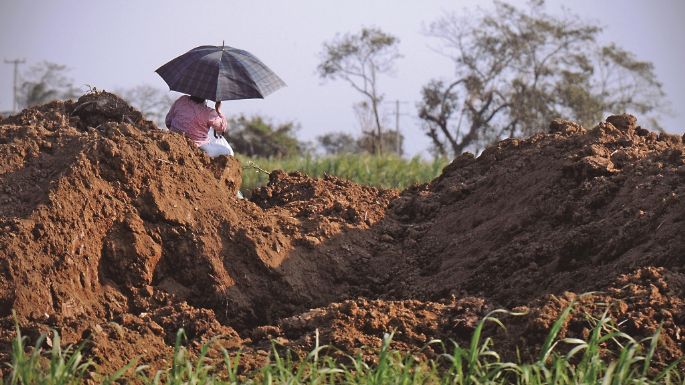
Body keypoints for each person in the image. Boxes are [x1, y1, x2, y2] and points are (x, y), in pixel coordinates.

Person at [165, 95, 235, 157]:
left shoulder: (182, 100)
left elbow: (168, 121)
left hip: (173, 138)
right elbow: (222, 127)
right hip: (198, 147)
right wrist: (218, 110)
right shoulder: (209, 112)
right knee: (228, 151)